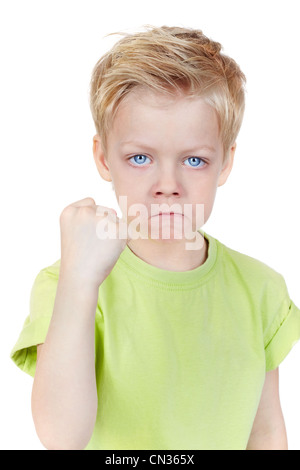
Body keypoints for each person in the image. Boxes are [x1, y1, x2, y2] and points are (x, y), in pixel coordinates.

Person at [11, 25, 300, 450]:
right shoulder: (66, 284)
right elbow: (61, 437)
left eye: (195, 160)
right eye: (141, 158)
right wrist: (79, 281)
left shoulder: (260, 289)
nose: (168, 184)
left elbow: (266, 431)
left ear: (225, 163)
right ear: (103, 158)